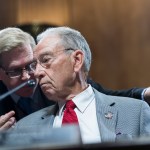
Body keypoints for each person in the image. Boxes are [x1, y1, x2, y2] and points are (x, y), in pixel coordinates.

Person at [14, 27, 150, 143]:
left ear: (77, 60)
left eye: (46, 60)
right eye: (35, 65)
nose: (37, 73)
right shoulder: (23, 127)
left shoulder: (135, 112)